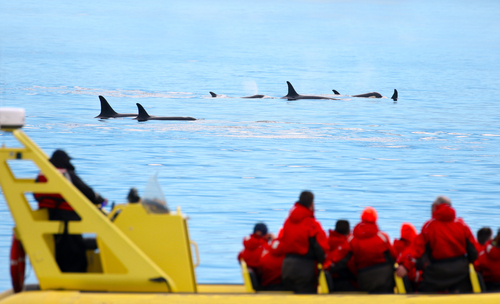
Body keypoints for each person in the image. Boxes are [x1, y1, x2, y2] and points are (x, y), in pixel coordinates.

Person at [34, 149, 106, 272]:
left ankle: (61, 272)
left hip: (50, 216)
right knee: (74, 247)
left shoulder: (42, 175)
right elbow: (88, 192)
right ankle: (77, 275)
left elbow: (36, 195)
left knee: (60, 248)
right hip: (69, 218)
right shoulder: (66, 174)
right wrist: (101, 200)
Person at [395, 196, 478, 293]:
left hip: (436, 274)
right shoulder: (462, 226)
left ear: (435, 207)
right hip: (461, 272)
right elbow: (474, 252)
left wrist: (406, 267)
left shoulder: (429, 227)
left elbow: (416, 250)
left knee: (421, 290)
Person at [272, 191, 329, 294]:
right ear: (312, 204)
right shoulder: (311, 224)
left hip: (287, 268)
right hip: (305, 270)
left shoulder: (288, 222)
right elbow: (320, 249)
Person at [348, 207, 397, 293]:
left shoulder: (352, 239)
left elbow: (349, 261)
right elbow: (393, 256)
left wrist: (356, 275)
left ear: (361, 218)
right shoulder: (383, 237)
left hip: (363, 276)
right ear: (375, 218)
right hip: (384, 276)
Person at [325, 220, 358, 292]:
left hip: (326, 279)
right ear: (349, 231)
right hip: (343, 280)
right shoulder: (347, 245)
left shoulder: (326, 241)